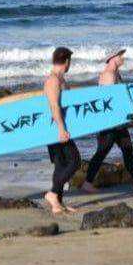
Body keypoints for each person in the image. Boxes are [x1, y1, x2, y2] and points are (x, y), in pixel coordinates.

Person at [80, 48, 133, 193]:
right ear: (113, 57)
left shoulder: (115, 73)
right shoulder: (109, 75)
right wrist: (128, 119)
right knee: (102, 151)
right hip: (110, 122)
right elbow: (110, 102)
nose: (123, 58)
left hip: (118, 122)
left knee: (127, 150)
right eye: (120, 55)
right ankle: (87, 183)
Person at [44, 46, 81, 214]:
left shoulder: (61, 79)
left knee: (61, 165)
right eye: (70, 61)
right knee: (75, 161)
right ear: (66, 61)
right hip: (55, 128)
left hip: (59, 127)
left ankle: (57, 203)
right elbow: (54, 106)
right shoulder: (53, 81)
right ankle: (53, 193)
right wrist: (61, 129)